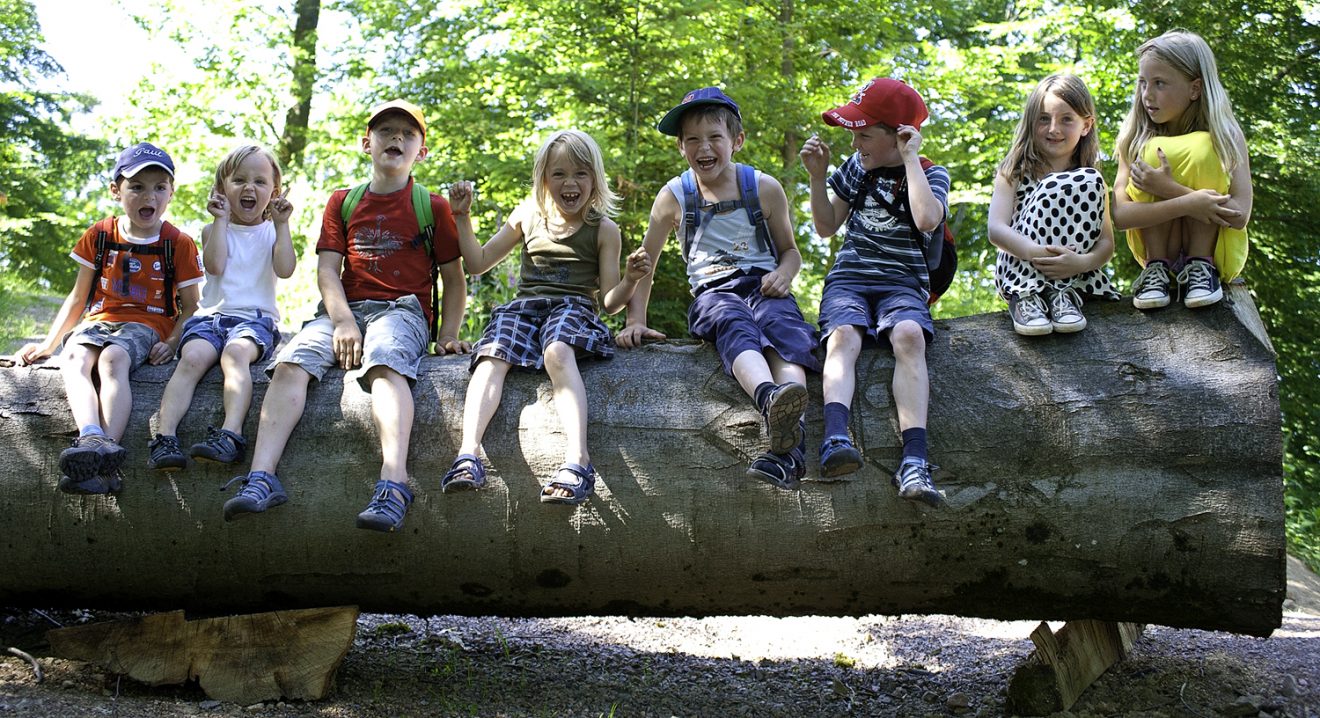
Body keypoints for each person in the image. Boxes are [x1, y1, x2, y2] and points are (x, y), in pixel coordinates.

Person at [221, 99, 468, 532]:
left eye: (408, 134)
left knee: (386, 364)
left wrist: (447, 333)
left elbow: (453, 276)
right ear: (365, 143)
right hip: (341, 311)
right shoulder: (343, 202)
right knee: (290, 364)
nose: (396, 139)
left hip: (401, 310)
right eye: (386, 131)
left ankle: (394, 482)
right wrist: (342, 322)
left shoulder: (432, 206)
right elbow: (327, 271)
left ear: (421, 152)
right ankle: (262, 477)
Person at [617, 87, 819, 491]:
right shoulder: (674, 197)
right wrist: (635, 319)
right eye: (692, 139)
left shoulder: (762, 188)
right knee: (733, 324)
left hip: (765, 285)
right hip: (714, 293)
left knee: (784, 330)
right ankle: (767, 398)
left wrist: (785, 274)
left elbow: (790, 252)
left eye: (714, 137)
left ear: (737, 141)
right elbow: (647, 263)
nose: (703, 147)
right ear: (680, 147)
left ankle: (787, 427)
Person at [442, 130, 652, 505]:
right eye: (559, 174)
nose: (570, 183)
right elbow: (477, 264)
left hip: (574, 310)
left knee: (556, 350)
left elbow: (609, 303)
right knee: (492, 354)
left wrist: (631, 279)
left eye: (581, 173)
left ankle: (577, 460)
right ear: (543, 178)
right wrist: (462, 218)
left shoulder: (604, 230)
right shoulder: (527, 215)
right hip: (525, 309)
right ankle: (468, 453)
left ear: (595, 179)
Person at [17, 142, 204, 494]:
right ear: (116, 191)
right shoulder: (100, 235)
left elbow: (192, 306)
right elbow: (77, 297)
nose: (149, 196)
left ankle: (108, 451)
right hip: (99, 318)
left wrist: (171, 340)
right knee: (74, 356)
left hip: (148, 323)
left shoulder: (178, 243)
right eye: (137, 187)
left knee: (113, 359)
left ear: (171, 193)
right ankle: (91, 437)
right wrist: (48, 344)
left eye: (159, 187)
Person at [798, 78, 946, 504]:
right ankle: (835, 437)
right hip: (851, 279)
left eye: (864, 134)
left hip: (902, 282)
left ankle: (915, 459)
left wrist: (911, 158)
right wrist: (818, 177)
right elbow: (827, 226)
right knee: (843, 336)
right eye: (853, 132)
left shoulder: (931, 174)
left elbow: (926, 220)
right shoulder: (855, 169)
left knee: (909, 336)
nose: (855, 141)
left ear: (898, 135)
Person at [147, 145, 297, 470]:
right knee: (191, 359)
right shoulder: (213, 229)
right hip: (211, 319)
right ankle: (165, 436)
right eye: (239, 180)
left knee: (234, 356)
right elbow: (214, 266)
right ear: (221, 189)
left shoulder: (273, 231)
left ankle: (230, 434)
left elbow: (285, 269)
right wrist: (219, 221)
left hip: (254, 322)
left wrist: (283, 225)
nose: (249, 188)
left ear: (274, 192)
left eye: (259, 182)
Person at [1113, 29, 1252, 310]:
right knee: (1152, 150)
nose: (1147, 95)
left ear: (1194, 89)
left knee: (1204, 147)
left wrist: (1169, 190)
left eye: (1160, 83)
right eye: (1143, 83)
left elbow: (1239, 215)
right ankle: (1157, 268)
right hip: (1155, 249)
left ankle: (1201, 266)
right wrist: (1187, 202)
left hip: (1215, 252)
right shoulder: (1135, 136)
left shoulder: (1226, 135)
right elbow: (1120, 215)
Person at [988, 74, 1119, 336]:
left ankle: (1064, 294)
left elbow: (1106, 243)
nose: (1053, 129)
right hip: (1023, 267)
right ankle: (1027, 298)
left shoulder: (1090, 179)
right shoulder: (1015, 171)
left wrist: (1082, 263)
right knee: (1054, 185)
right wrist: (1034, 251)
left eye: (1066, 119)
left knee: (1088, 179)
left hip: (1074, 273)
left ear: (1086, 125)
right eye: (1044, 119)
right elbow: (996, 229)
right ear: (1031, 122)